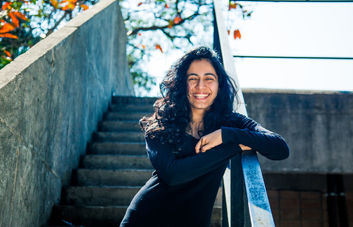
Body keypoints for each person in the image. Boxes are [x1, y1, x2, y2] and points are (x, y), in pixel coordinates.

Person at [120, 46, 289, 227]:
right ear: (181, 83)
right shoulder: (161, 123)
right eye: (193, 79)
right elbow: (173, 174)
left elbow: (279, 148)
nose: (201, 86)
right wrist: (233, 146)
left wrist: (227, 134)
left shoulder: (231, 123)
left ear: (219, 84)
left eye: (209, 78)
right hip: (146, 218)